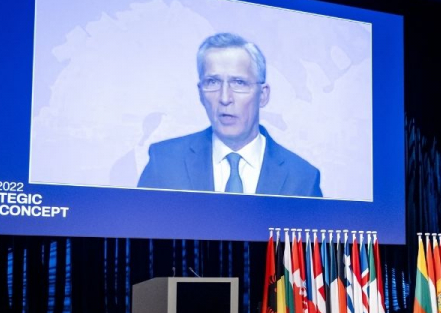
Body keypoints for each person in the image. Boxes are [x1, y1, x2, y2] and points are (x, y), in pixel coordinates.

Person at [138, 32, 322, 197]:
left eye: (239, 83)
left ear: (263, 95)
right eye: (212, 82)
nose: (225, 98)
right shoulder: (164, 163)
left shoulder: (302, 178)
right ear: (200, 93)